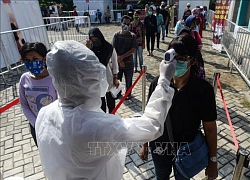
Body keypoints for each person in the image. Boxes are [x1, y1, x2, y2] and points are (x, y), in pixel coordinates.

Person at [35, 40, 177, 180]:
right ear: (89, 81)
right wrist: (164, 80)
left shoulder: (44, 114)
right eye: (95, 77)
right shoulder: (97, 127)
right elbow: (151, 126)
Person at [140, 34, 218, 180]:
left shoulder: (203, 90)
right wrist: (144, 144)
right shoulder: (158, 84)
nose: (175, 63)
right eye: (171, 57)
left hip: (187, 150)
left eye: (181, 59)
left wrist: (213, 160)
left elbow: (210, 128)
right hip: (160, 148)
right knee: (161, 176)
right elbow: (149, 116)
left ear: (193, 60)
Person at [19, 42, 57, 147]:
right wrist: (36, 124)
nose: (31, 63)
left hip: (55, 126)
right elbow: (24, 105)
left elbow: (61, 104)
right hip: (36, 127)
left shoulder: (54, 78)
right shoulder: (24, 78)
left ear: (44, 59)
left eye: (35, 59)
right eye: (27, 60)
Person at [86, 28, 119, 113]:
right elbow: (86, 62)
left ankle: (112, 120)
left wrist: (115, 77)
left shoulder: (109, 47)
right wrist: (88, 49)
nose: (94, 41)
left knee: (111, 102)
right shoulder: (88, 49)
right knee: (100, 105)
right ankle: (103, 121)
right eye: (92, 39)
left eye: (96, 39)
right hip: (95, 79)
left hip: (108, 77)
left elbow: (115, 63)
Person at [112, 15, 136, 100]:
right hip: (118, 63)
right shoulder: (116, 35)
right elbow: (113, 48)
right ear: (121, 23)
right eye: (124, 23)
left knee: (129, 79)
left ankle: (128, 94)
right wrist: (119, 59)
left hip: (129, 63)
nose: (126, 25)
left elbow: (133, 49)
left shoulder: (132, 36)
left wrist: (122, 57)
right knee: (118, 79)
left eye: (128, 24)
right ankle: (118, 93)